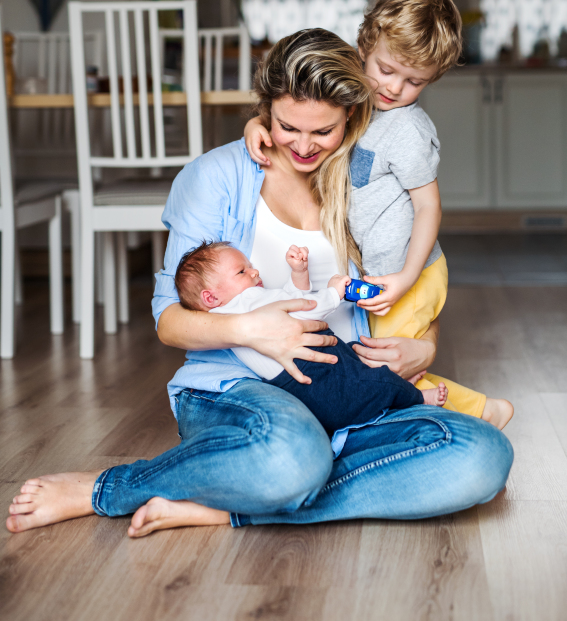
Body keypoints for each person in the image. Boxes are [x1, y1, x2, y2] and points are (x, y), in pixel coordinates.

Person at [7, 29, 513, 539]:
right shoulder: (215, 177)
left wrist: (421, 348)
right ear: (265, 111)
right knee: (292, 457)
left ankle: (234, 504)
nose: (304, 146)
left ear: (352, 117)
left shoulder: (369, 180)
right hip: (243, 386)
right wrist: (253, 330)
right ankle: (112, 487)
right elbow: (169, 322)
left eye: (324, 132)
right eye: (288, 127)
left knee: (483, 455)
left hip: (350, 393)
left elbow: (414, 293)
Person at [245, 0, 514, 430]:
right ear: (364, 47)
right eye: (386, 69)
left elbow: (429, 207)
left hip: (413, 272)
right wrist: (259, 122)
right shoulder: (355, 103)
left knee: (384, 366)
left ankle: (482, 412)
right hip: (377, 273)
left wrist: (407, 278)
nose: (394, 88)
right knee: (377, 363)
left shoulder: (406, 129)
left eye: (415, 82)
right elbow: (302, 112)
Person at [173, 240, 447, 433]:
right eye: (242, 271)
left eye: (250, 265)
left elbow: (292, 301)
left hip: (317, 366)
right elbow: (305, 310)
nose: (254, 271)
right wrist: (334, 294)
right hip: (313, 380)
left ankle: (393, 389)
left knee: (359, 357)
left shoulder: (248, 303)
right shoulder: (240, 306)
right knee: (371, 381)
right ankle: (417, 398)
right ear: (211, 297)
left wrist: (298, 274)